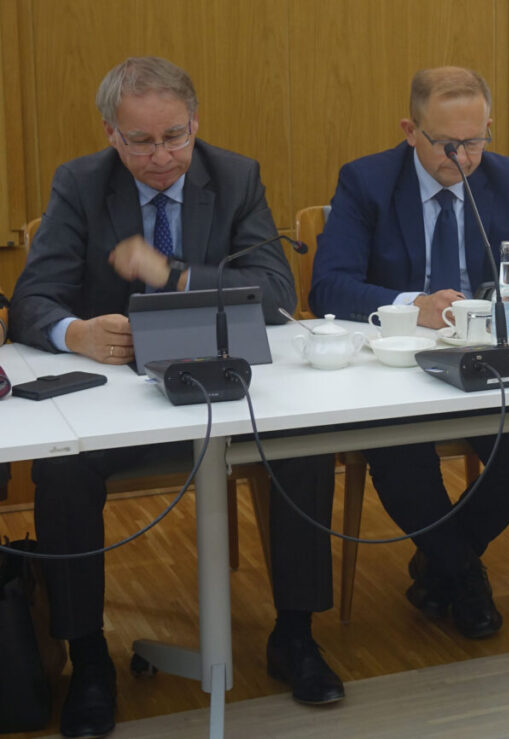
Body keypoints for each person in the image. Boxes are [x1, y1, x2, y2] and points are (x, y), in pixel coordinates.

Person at [10, 57, 342, 737]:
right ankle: (89, 658)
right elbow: (31, 301)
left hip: (224, 385)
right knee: (61, 473)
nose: (161, 156)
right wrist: (76, 333)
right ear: (111, 133)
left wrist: (175, 273)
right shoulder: (80, 183)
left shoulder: (235, 176)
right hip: (120, 402)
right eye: (140, 141)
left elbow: (278, 294)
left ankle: (295, 634)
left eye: (175, 137)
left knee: (303, 444)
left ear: (196, 123)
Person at [311, 66, 509, 639]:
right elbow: (328, 287)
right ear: (410, 130)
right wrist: (413, 304)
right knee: (401, 456)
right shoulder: (367, 182)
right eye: (448, 144)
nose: (463, 158)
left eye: (475, 141)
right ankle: (464, 577)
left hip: (481, 358)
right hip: (393, 367)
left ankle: (443, 563)